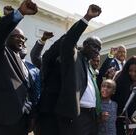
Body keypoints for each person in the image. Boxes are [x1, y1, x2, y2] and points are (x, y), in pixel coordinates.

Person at [39, 4, 102, 135]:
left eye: (99, 49)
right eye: (94, 46)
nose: (97, 51)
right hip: (72, 115)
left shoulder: (87, 64)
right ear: (84, 45)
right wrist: (87, 18)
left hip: (89, 117)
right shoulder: (73, 56)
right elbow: (68, 40)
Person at [0, 1, 38, 135]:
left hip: (19, 123)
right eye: (17, 37)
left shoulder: (25, 65)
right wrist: (19, 13)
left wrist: (31, 115)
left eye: (24, 38)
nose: (22, 40)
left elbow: (28, 92)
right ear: (6, 38)